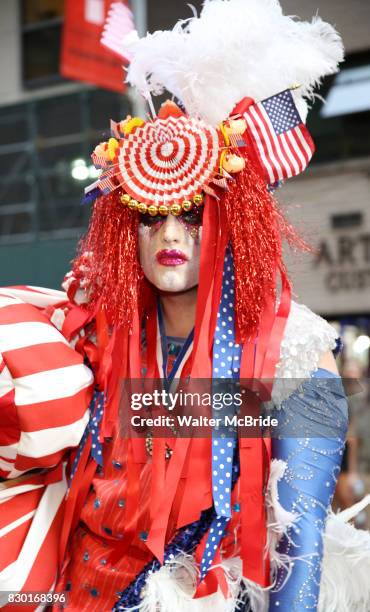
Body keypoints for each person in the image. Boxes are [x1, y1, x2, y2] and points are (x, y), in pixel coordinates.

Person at [1, 1, 370, 611]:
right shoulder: (95, 330)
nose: (170, 235)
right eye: (152, 216)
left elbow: (298, 548)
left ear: (233, 224)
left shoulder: (290, 348)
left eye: (194, 216)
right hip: (78, 591)